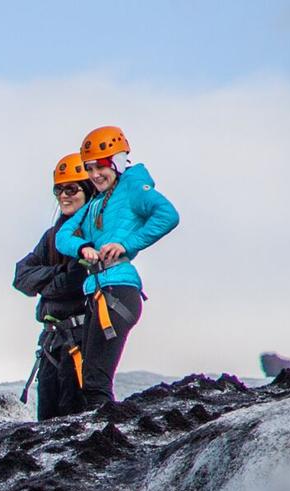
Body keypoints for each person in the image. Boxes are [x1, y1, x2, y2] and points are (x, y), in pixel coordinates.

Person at [55, 125, 180, 409]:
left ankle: (105, 440)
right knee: (89, 379)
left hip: (116, 291)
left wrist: (126, 244)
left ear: (118, 162)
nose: (95, 175)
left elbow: (168, 215)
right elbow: (63, 235)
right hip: (99, 291)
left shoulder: (133, 186)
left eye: (101, 167)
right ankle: (99, 437)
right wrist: (81, 247)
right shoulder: (97, 201)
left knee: (95, 380)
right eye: (89, 169)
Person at [12, 153, 96, 420]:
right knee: (47, 421)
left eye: (71, 188)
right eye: (58, 189)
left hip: (81, 340)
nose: (63, 196)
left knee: (77, 418)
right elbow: (20, 276)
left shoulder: (93, 233)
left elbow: (74, 283)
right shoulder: (51, 237)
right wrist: (59, 272)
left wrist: (45, 279)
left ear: (88, 190)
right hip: (51, 343)